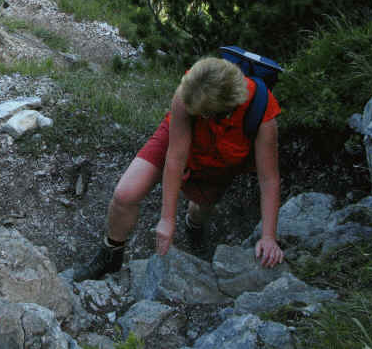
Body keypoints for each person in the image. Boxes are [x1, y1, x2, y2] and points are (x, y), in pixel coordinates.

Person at [73, 57, 284, 282]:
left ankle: (193, 226)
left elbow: (268, 179)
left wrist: (268, 236)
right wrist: (167, 219)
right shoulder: (191, 88)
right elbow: (175, 156)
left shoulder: (261, 113)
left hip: (223, 156)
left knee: (200, 209)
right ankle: (111, 254)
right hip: (179, 137)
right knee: (125, 194)